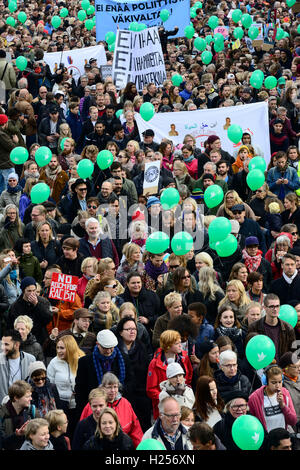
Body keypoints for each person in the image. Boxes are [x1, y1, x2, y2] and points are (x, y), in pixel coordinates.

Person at [74, 329, 133, 417]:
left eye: (111, 347)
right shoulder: (85, 362)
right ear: (98, 344)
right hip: (94, 409)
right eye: (105, 348)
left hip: (119, 406)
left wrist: (117, 394)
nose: (109, 351)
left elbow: (131, 382)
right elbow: (80, 389)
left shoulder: (124, 359)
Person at [79, 372, 143, 448]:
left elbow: (136, 430)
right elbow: (82, 431)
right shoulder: (93, 404)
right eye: (109, 387)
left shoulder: (125, 403)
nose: (113, 390)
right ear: (102, 387)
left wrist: (139, 447)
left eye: (115, 387)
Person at [114, 316, 152, 431]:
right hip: (123, 394)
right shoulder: (115, 350)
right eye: (128, 329)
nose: (132, 331)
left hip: (141, 395)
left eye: (134, 329)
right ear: (120, 332)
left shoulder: (141, 347)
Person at [146, 329, 193, 420]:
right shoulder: (155, 363)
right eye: (176, 343)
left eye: (180, 342)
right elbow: (151, 389)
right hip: (165, 407)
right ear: (167, 346)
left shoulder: (184, 357)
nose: (180, 345)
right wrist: (166, 398)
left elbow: (189, 375)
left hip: (184, 404)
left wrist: (186, 392)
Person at [47, 335, 85, 439]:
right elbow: (50, 384)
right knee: (64, 434)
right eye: (57, 348)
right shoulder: (54, 363)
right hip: (61, 403)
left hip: (77, 403)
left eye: (62, 348)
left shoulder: (81, 360)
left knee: (77, 432)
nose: (59, 351)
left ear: (70, 348)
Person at [248, 364, 297, 432]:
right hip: (266, 439)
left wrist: (283, 405)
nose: (277, 386)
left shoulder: (285, 393)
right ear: (266, 381)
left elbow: (293, 421)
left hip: (282, 438)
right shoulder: (254, 398)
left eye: (280, 382)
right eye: (273, 382)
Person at [248, 293, 296, 362]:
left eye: (277, 306)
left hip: (282, 368)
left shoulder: (288, 328)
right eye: (272, 306)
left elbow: (293, 352)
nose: (275, 309)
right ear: (264, 308)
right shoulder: (254, 327)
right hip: (262, 365)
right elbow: (251, 351)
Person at [6, 276, 52, 346]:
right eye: (29, 291)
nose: (32, 293)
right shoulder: (15, 306)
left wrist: (37, 305)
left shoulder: (43, 301)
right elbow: (10, 326)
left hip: (40, 339)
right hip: (22, 341)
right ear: (23, 290)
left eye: (34, 291)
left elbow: (48, 318)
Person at [0, 380, 39, 450]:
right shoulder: (2, 414)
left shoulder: (32, 411)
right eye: (27, 397)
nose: (31, 398)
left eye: (30, 396)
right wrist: (16, 435)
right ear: (16, 398)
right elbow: (2, 443)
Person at [279, 351, 300, 425]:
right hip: (293, 425)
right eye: (295, 367)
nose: (299, 369)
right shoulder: (281, 384)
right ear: (286, 368)